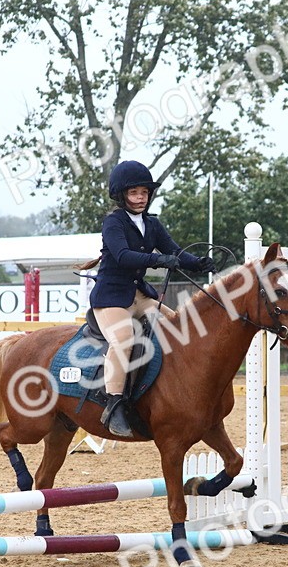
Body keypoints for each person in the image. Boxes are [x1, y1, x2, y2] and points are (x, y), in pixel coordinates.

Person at [89, 160, 213, 436]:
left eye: (144, 193)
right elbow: (122, 256)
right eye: (134, 193)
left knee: (178, 326)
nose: (140, 198)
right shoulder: (113, 222)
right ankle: (115, 404)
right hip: (110, 297)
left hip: (139, 296)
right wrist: (158, 260)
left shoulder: (151, 224)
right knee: (124, 340)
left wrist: (198, 263)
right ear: (122, 196)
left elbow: (175, 252)